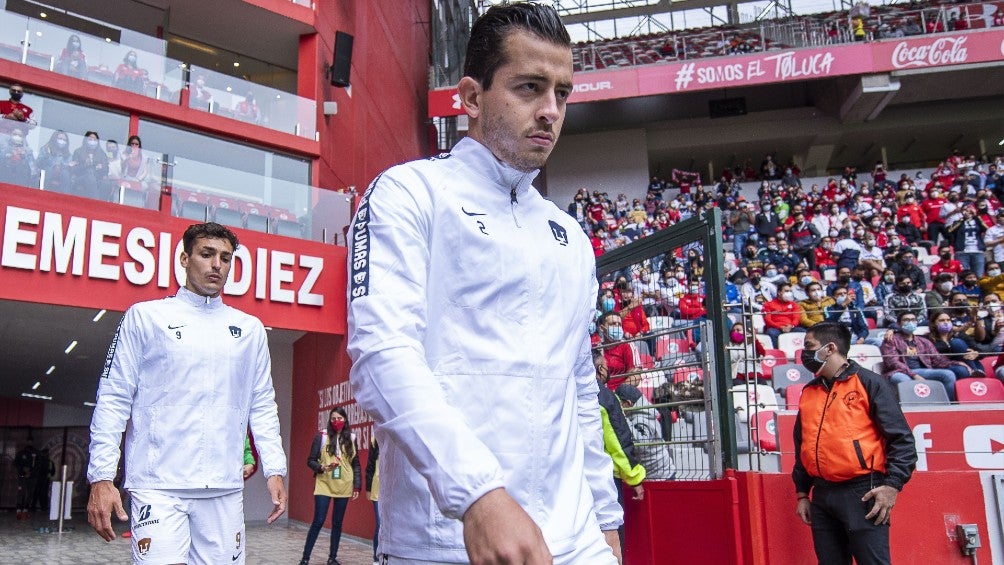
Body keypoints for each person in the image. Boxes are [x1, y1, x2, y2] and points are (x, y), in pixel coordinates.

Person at [345, 4, 623, 564]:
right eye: (529, 87)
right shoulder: (408, 193)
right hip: (447, 542)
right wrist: (477, 495)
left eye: (562, 93)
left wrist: (605, 519)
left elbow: (579, 390)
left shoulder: (570, 236)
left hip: (575, 544)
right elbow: (381, 356)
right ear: (472, 97)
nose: (550, 111)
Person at [86, 222, 288, 564]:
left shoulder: (250, 329)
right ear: (184, 258)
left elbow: (263, 403)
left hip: (223, 488)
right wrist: (102, 476)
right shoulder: (145, 317)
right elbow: (114, 397)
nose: (217, 265)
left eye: (225, 258)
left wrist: (275, 469)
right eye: (207, 254)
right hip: (157, 486)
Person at [793, 322, 916, 565]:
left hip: (863, 492)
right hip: (822, 495)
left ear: (829, 348)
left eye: (809, 346)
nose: (804, 353)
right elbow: (803, 445)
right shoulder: (809, 391)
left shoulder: (870, 383)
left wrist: (892, 486)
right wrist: (802, 494)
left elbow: (902, 440)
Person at [594, 353, 644, 551]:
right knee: (611, 535)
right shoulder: (605, 397)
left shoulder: (569, 392)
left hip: (571, 474)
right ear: (600, 369)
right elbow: (618, 440)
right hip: (604, 477)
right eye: (606, 366)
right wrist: (635, 478)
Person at [301, 407, 362, 565]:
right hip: (324, 483)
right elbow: (310, 460)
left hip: (344, 485)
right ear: (329, 420)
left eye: (339, 418)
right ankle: (305, 558)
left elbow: (355, 464)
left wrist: (357, 485)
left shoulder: (352, 438)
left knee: (337, 523)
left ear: (345, 419)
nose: (336, 421)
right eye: (333, 419)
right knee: (318, 520)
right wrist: (321, 467)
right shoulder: (321, 436)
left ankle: (332, 558)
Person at [879, 311, 966, 401]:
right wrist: (913, 375)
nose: (910, 322)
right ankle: (912, 407)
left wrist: (957, 363)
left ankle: (949, 405)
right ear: (898, 324)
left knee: (948, 374)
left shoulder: (923, 341)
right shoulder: (890, 340)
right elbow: (893, 362)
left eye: (913, 320)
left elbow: (938, 359)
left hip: (921, 370)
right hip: (898, 372)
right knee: (904, 380)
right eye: (906, 320)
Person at [615, 384, 676, 481]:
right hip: (660, 472)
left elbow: (640, 446)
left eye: (619, 404)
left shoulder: (641, 419)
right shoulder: (645, 412)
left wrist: (622, 417)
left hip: (659, 477)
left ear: (628, 403)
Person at [69, 130, 109, 200]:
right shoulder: (78, 151)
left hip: (97, 178)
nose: (92, 141)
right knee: (89, 175)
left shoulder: (102, 154)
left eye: (95, 140)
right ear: (85, 140)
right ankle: (96, 202)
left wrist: (101, 167)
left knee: (105, 184)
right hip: (81, 177)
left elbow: (106, 169)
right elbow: (73, 169)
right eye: (90, 139)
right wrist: (85, 165)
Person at [365, 437, 381, 565]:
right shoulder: (374, 440)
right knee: (380, 524)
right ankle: (376, 558)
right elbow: (370, 466)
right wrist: (368, 488)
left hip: (395, 490)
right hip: (378, 489)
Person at [14, 437, 38, 520]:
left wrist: (30, 472)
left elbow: (38, 465)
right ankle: (18, 511)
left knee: (30, 493)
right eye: (28, 441)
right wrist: (23, 470)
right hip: (22, 476)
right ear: (26, 442)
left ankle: (25, 511)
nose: (30, 443)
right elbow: (16, 463)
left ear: (33, 442)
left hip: (32, 477)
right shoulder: (20, 453)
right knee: (21, 492)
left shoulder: (36, 453)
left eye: (31, 442)